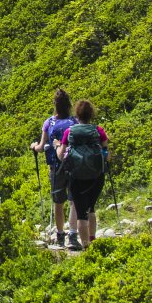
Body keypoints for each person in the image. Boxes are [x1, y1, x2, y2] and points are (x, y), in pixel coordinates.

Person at [53, 99, 109, 251]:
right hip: (96, 177)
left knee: (81, 213)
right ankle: (93, 241)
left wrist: (57, 145)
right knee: (91, 208)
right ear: (91, 114)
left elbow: (62, 156)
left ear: (76, 114)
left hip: (76, 178)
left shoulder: (69, 132)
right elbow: (106, 155)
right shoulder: (99, 131)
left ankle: (86, 248)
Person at [30, 89, 77, 247]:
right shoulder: (74, 121)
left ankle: (60, 235)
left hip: (55, 168)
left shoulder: (49, 123)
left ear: (55, 105)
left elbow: (42, 147)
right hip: (73, 166)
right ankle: (73, 235)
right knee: (73, 201)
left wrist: (34, 147)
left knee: (58, 202)